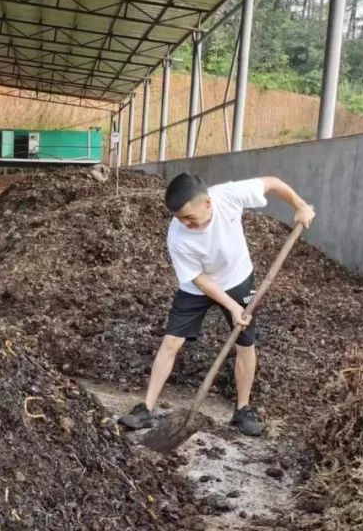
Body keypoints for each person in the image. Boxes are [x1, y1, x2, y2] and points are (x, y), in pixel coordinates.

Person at [119, 173, 315, 436]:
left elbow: (273, 183)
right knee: (171, 342)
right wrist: (232, 308)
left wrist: (300, 206)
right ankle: (145, 408)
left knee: (245, 344)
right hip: (196, 287)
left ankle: (243, 410)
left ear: (208, 204)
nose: (184, 223)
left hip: (238, 279)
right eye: (179, 218)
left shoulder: (229, 196)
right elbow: (199, 280)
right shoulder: (177, 235)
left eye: (189, 217)